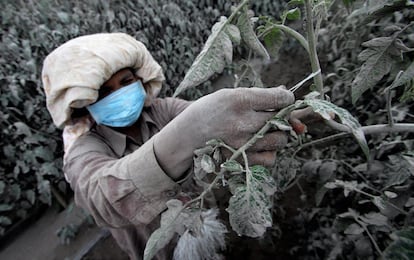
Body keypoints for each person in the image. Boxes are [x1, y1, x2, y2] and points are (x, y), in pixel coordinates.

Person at [41, 33, 302, 259]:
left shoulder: (163, 110)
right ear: (84, 104)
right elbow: (105, 199)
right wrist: (192, 130)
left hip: (206, 226)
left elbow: (224, 127)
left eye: (126, 82)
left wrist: (282, 117)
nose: (119, 94)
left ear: (141, 81)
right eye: (104, 92)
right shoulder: (84, 151)